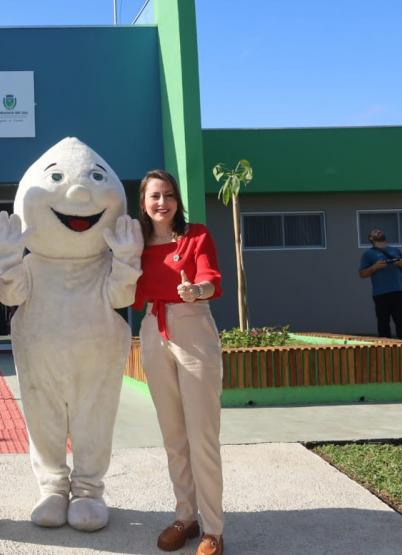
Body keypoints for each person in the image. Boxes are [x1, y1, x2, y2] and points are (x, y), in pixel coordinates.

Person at [132, 170, 225, 555]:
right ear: (143, 202)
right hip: (153, 329)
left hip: (193, 327)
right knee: (173, 435)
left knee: (201, 433)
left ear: (177, 201)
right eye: (154, 196)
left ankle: (213, 530)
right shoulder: (135, 242)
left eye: (168, 195)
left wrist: (196, 289)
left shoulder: (195, 235)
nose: (161, 203)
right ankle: (185, 517)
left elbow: (211, 279)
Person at [358, 228, 402, 338]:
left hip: (399, 291)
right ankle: (385, 351)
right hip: (380, 294)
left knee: (401, 322)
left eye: (379, 231)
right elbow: (362, 274)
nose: (378, 231)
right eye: (374, 232)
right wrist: (375, 267)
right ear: (371, 238)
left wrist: (400, 264)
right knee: (383, 324)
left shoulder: (396, 251)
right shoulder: (368, 254)